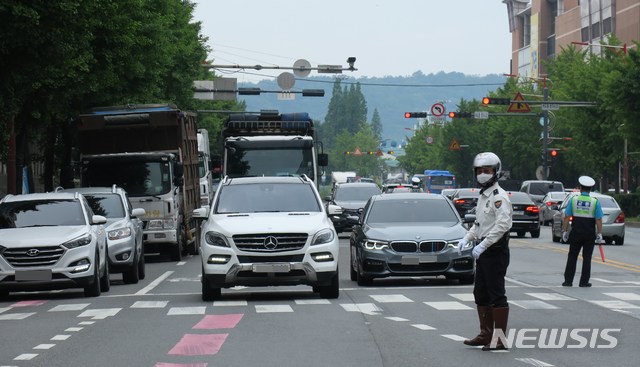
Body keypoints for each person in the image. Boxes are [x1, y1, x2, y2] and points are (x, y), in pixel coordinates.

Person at [457, 152, 513, 351]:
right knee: (480, 293)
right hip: (483, 251)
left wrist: (483, 244)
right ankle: (485, 333)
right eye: (479, 171)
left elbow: (502, 225)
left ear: (495, 172)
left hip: (495, 250)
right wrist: (468, 238)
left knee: (497, 294)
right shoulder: (484, 196)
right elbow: (479, 224)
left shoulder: (499, 197)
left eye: (487, 171)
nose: (482, 174)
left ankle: (499, 338)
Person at [562, 175, 603, 288]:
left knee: (572, 256)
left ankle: (568, 281)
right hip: (589, 234)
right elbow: (598, 219)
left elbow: (567, 216)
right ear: (590, 189)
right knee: (587, 258)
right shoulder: (595, 202)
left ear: (580, 188)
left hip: (576, 232)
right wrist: (599, 233)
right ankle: (584, 282)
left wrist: (565, 231)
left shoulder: (573, 200)